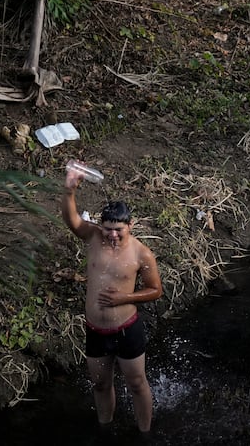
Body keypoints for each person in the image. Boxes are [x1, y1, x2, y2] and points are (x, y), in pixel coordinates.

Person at [62, 167, 164, 433]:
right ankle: (105, 428)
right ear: (101, 227)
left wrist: (124, 297)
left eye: (118, 230)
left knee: (137, 383)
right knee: (100, 384)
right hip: (95, 330)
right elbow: (71, 220)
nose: (113, 235)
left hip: (126, 329)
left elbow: (155, 290)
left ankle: (145, 432)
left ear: (130, 225)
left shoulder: (142, 254)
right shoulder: (94, 237)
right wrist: (70, 189)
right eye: (108, 230)